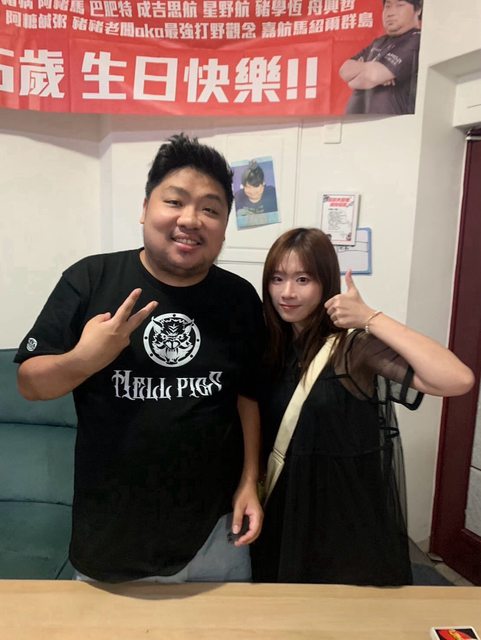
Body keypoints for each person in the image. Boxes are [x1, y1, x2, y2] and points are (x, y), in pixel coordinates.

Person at [15, 133, 265, 583]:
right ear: (145, 208)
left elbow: (247, 396)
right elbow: (30, 384)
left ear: (225, 226)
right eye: (175, 201)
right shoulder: (91, 279)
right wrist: (85, 359)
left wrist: (250, 482)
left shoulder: (240, 298)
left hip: (216, 537)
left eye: (210, 209)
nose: (191, 219)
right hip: (113, 540)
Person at [251, 228, 474, 586]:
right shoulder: (269, 345)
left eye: (303, 279)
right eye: (277, 279)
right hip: (281, 506)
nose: (287, 292)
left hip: (341, 515)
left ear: (326, 283)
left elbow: (457, 379)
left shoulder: (353, 349)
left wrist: (371, 317)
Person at [339, 0, 422, 115]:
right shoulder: (379, 42)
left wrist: (359, 75)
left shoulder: (417, 40)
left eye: (399, 5)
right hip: (358, 122)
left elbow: (374, 75)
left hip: (391, 122)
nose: (390, 13)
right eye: (387, 6)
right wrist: (369, 73)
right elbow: (344, 71)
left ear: (418, 10)